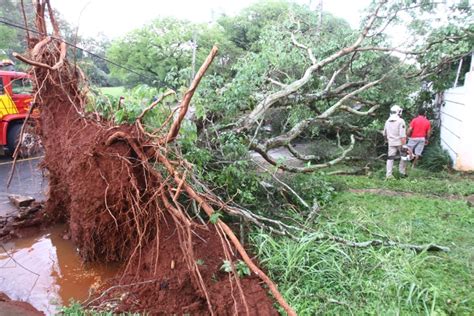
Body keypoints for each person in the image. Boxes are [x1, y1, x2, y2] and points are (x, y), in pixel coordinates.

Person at [383, 105, 407, 179]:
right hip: (400, 142)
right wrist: (404, 145)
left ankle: (388, 175)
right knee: (404, 157)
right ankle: (402, 173)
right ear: (399, 112)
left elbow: (384, 133)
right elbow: (402, 135)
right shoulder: (401, 121)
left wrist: (386, 140)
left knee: (390, 158)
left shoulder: (387, 121)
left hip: (391, 143)